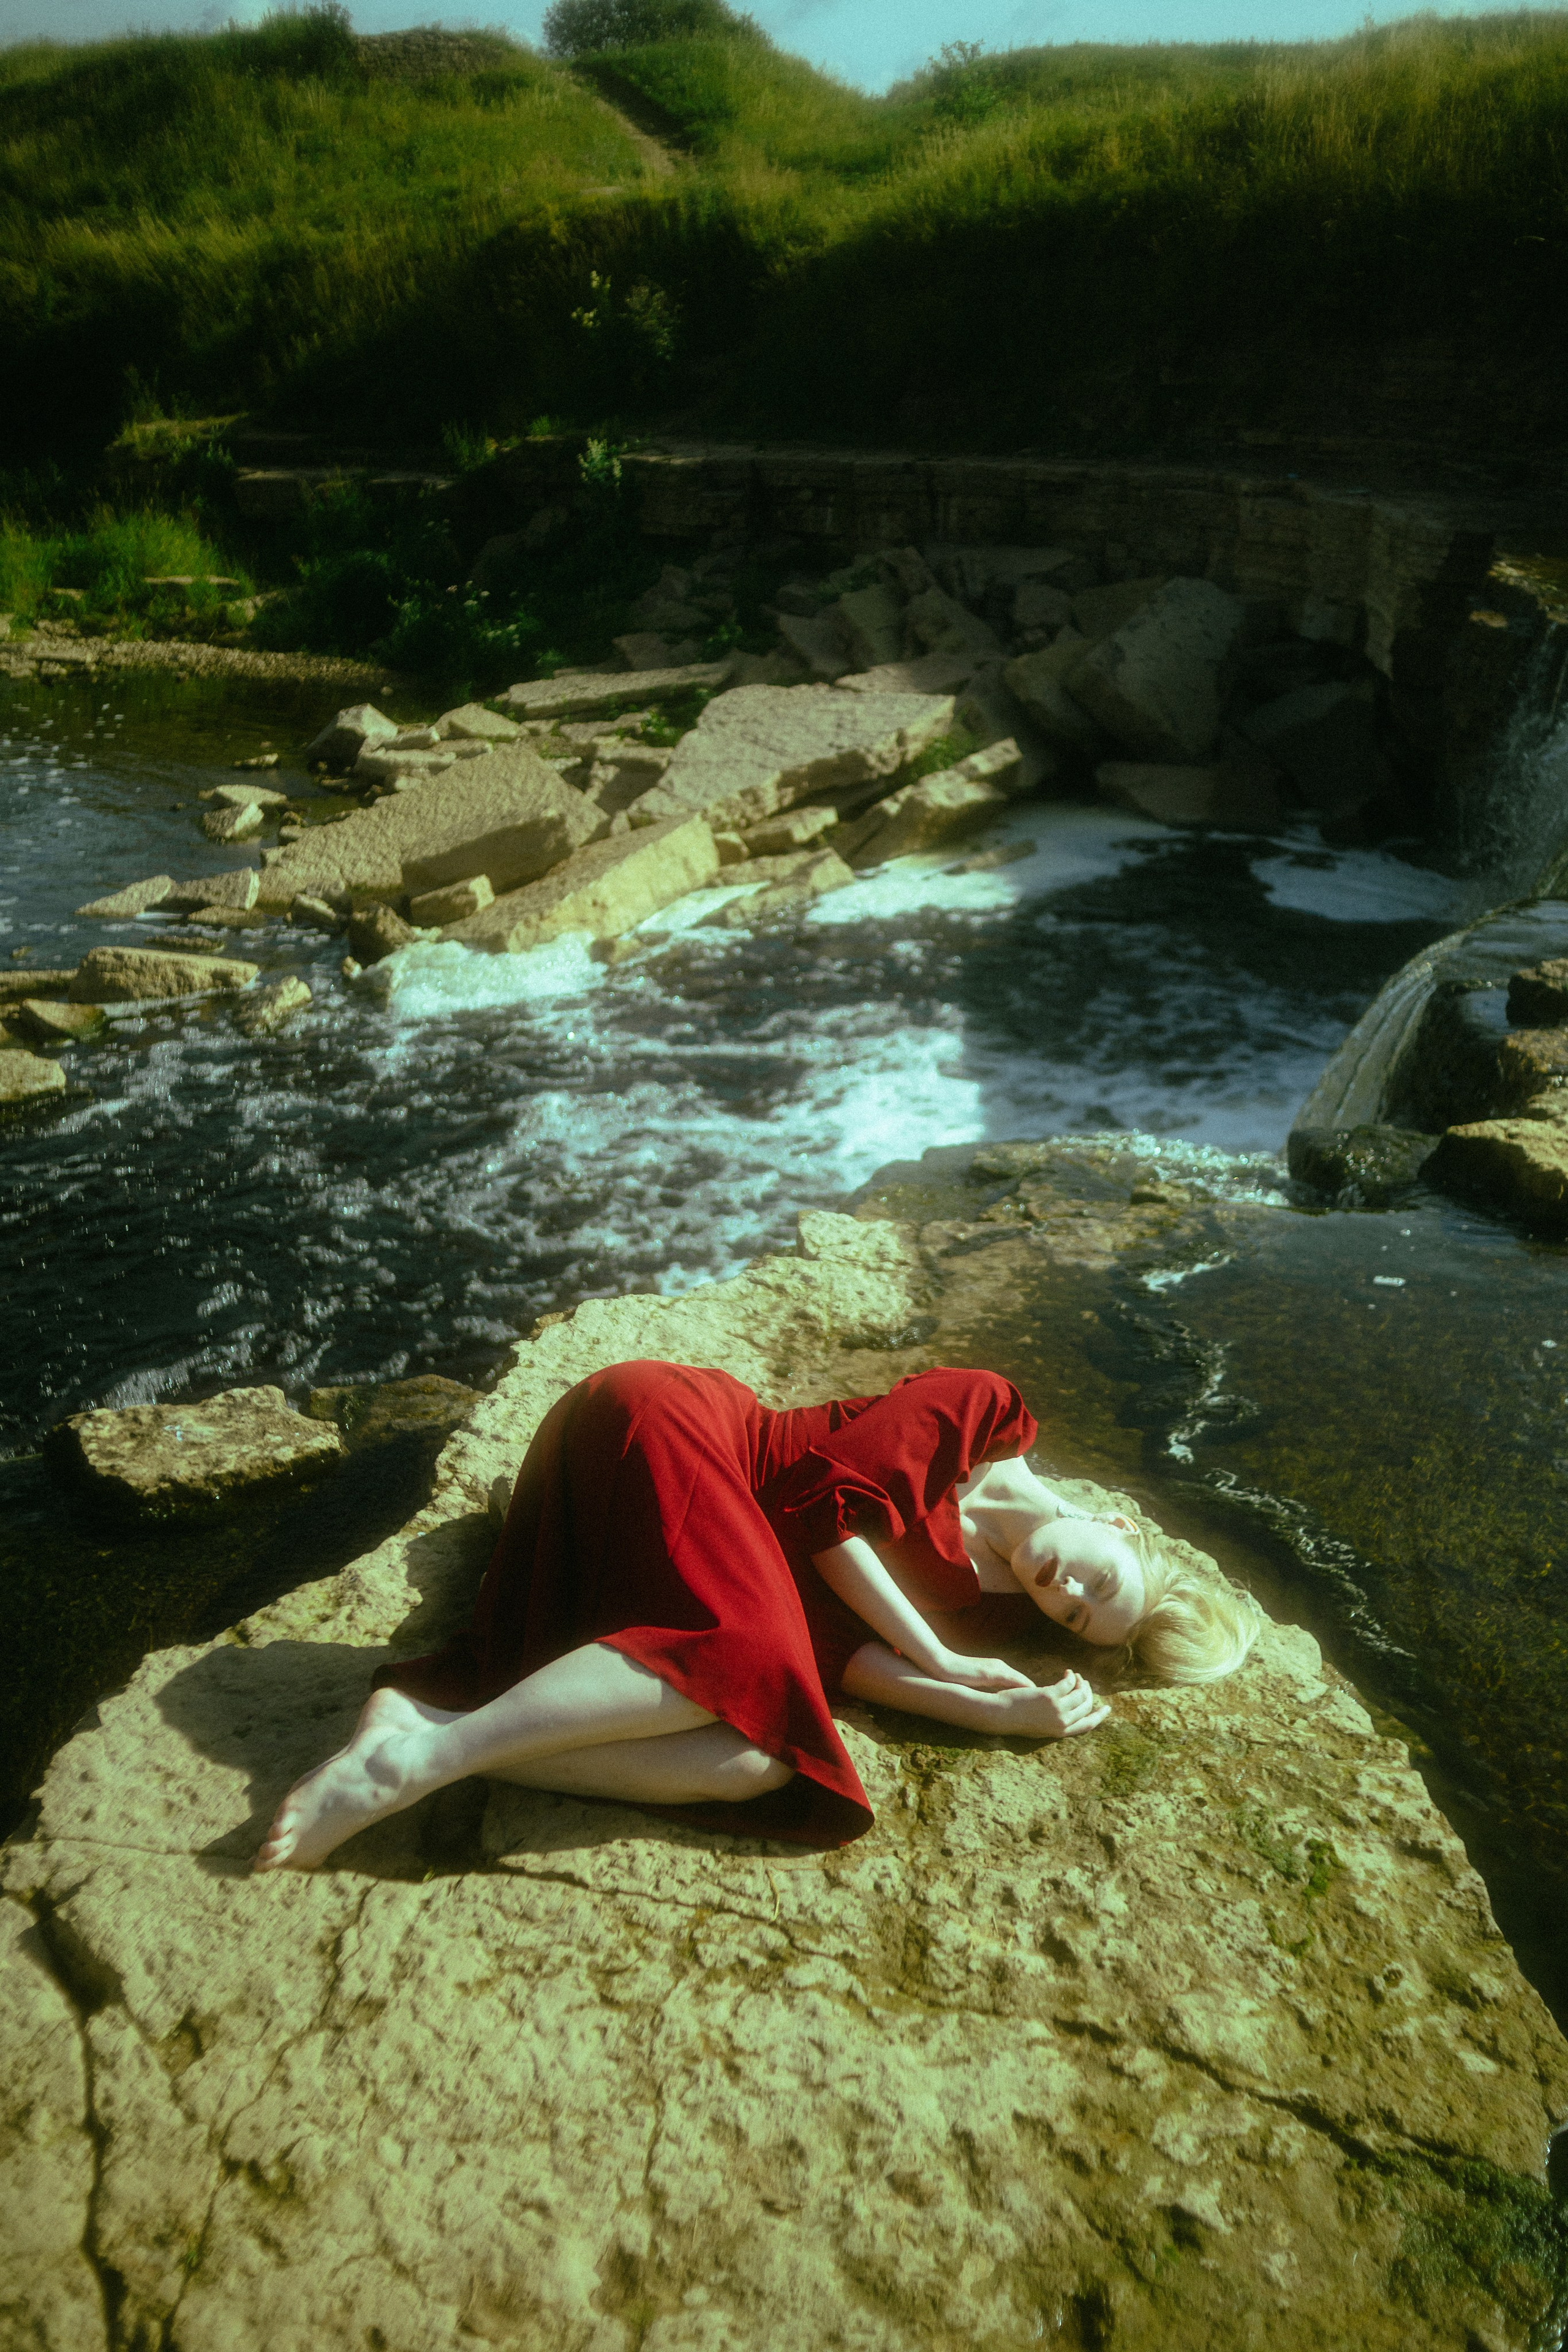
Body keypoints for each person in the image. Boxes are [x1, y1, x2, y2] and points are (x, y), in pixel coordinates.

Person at [254, 1360, 1260, 1873]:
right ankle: (411, 1767)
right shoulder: (982, 1413)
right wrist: (945, 1659)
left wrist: (992, 1710)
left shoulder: (994, 1613)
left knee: (764, 1762)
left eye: (1079, 1622)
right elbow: (819, 1515)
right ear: (1119, 1521)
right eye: (1098, 1577)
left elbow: (835, 1663)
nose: (1068, 1597)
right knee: (745, 1645)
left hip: (694, 1564)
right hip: (667, 1432)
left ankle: (441, 1729)